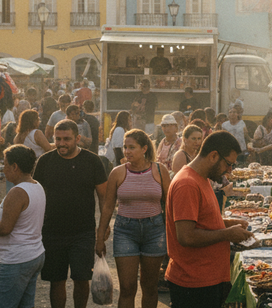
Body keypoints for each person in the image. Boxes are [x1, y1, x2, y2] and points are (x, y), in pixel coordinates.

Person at [165, 131, 252, 308]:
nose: (229, 170)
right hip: (194, 283)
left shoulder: (201, 178)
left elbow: (200, 221)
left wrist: (227, 224)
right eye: (228, 164)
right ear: (213, 156)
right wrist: (227, 233)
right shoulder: (187, 183)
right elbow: (186, 236)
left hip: (205, 279)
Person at [34, 120, 108, 308]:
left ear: (77, 138)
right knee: (56, 280)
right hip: (52, 231)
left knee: (82, 279)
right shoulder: (45, 161)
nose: (61, 143)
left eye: (66, 139)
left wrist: (103, 228)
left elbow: (104, 197)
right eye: (57, 139)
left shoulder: (92, 161)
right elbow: (35, 195)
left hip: (83, 232)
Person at [96, 129, 170, 308]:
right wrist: (100, 237)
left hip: (155, 231)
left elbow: (169, 204)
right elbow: (108, 206)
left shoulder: (160, 170)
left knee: (150, 286)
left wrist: (172, 235)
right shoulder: (117, 172)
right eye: (125, 147)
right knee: (127, 288)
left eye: (132, 147)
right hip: (125, 231)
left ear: (144, 148)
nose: (127, 151)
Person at [0, 145, 46, 308]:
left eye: (5, 165)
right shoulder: (36, 186)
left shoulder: (18, 191)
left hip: (17, 259)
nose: (2, 170)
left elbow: (5, 229)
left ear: (15, 167)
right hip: (33, 254)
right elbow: (22, 210)